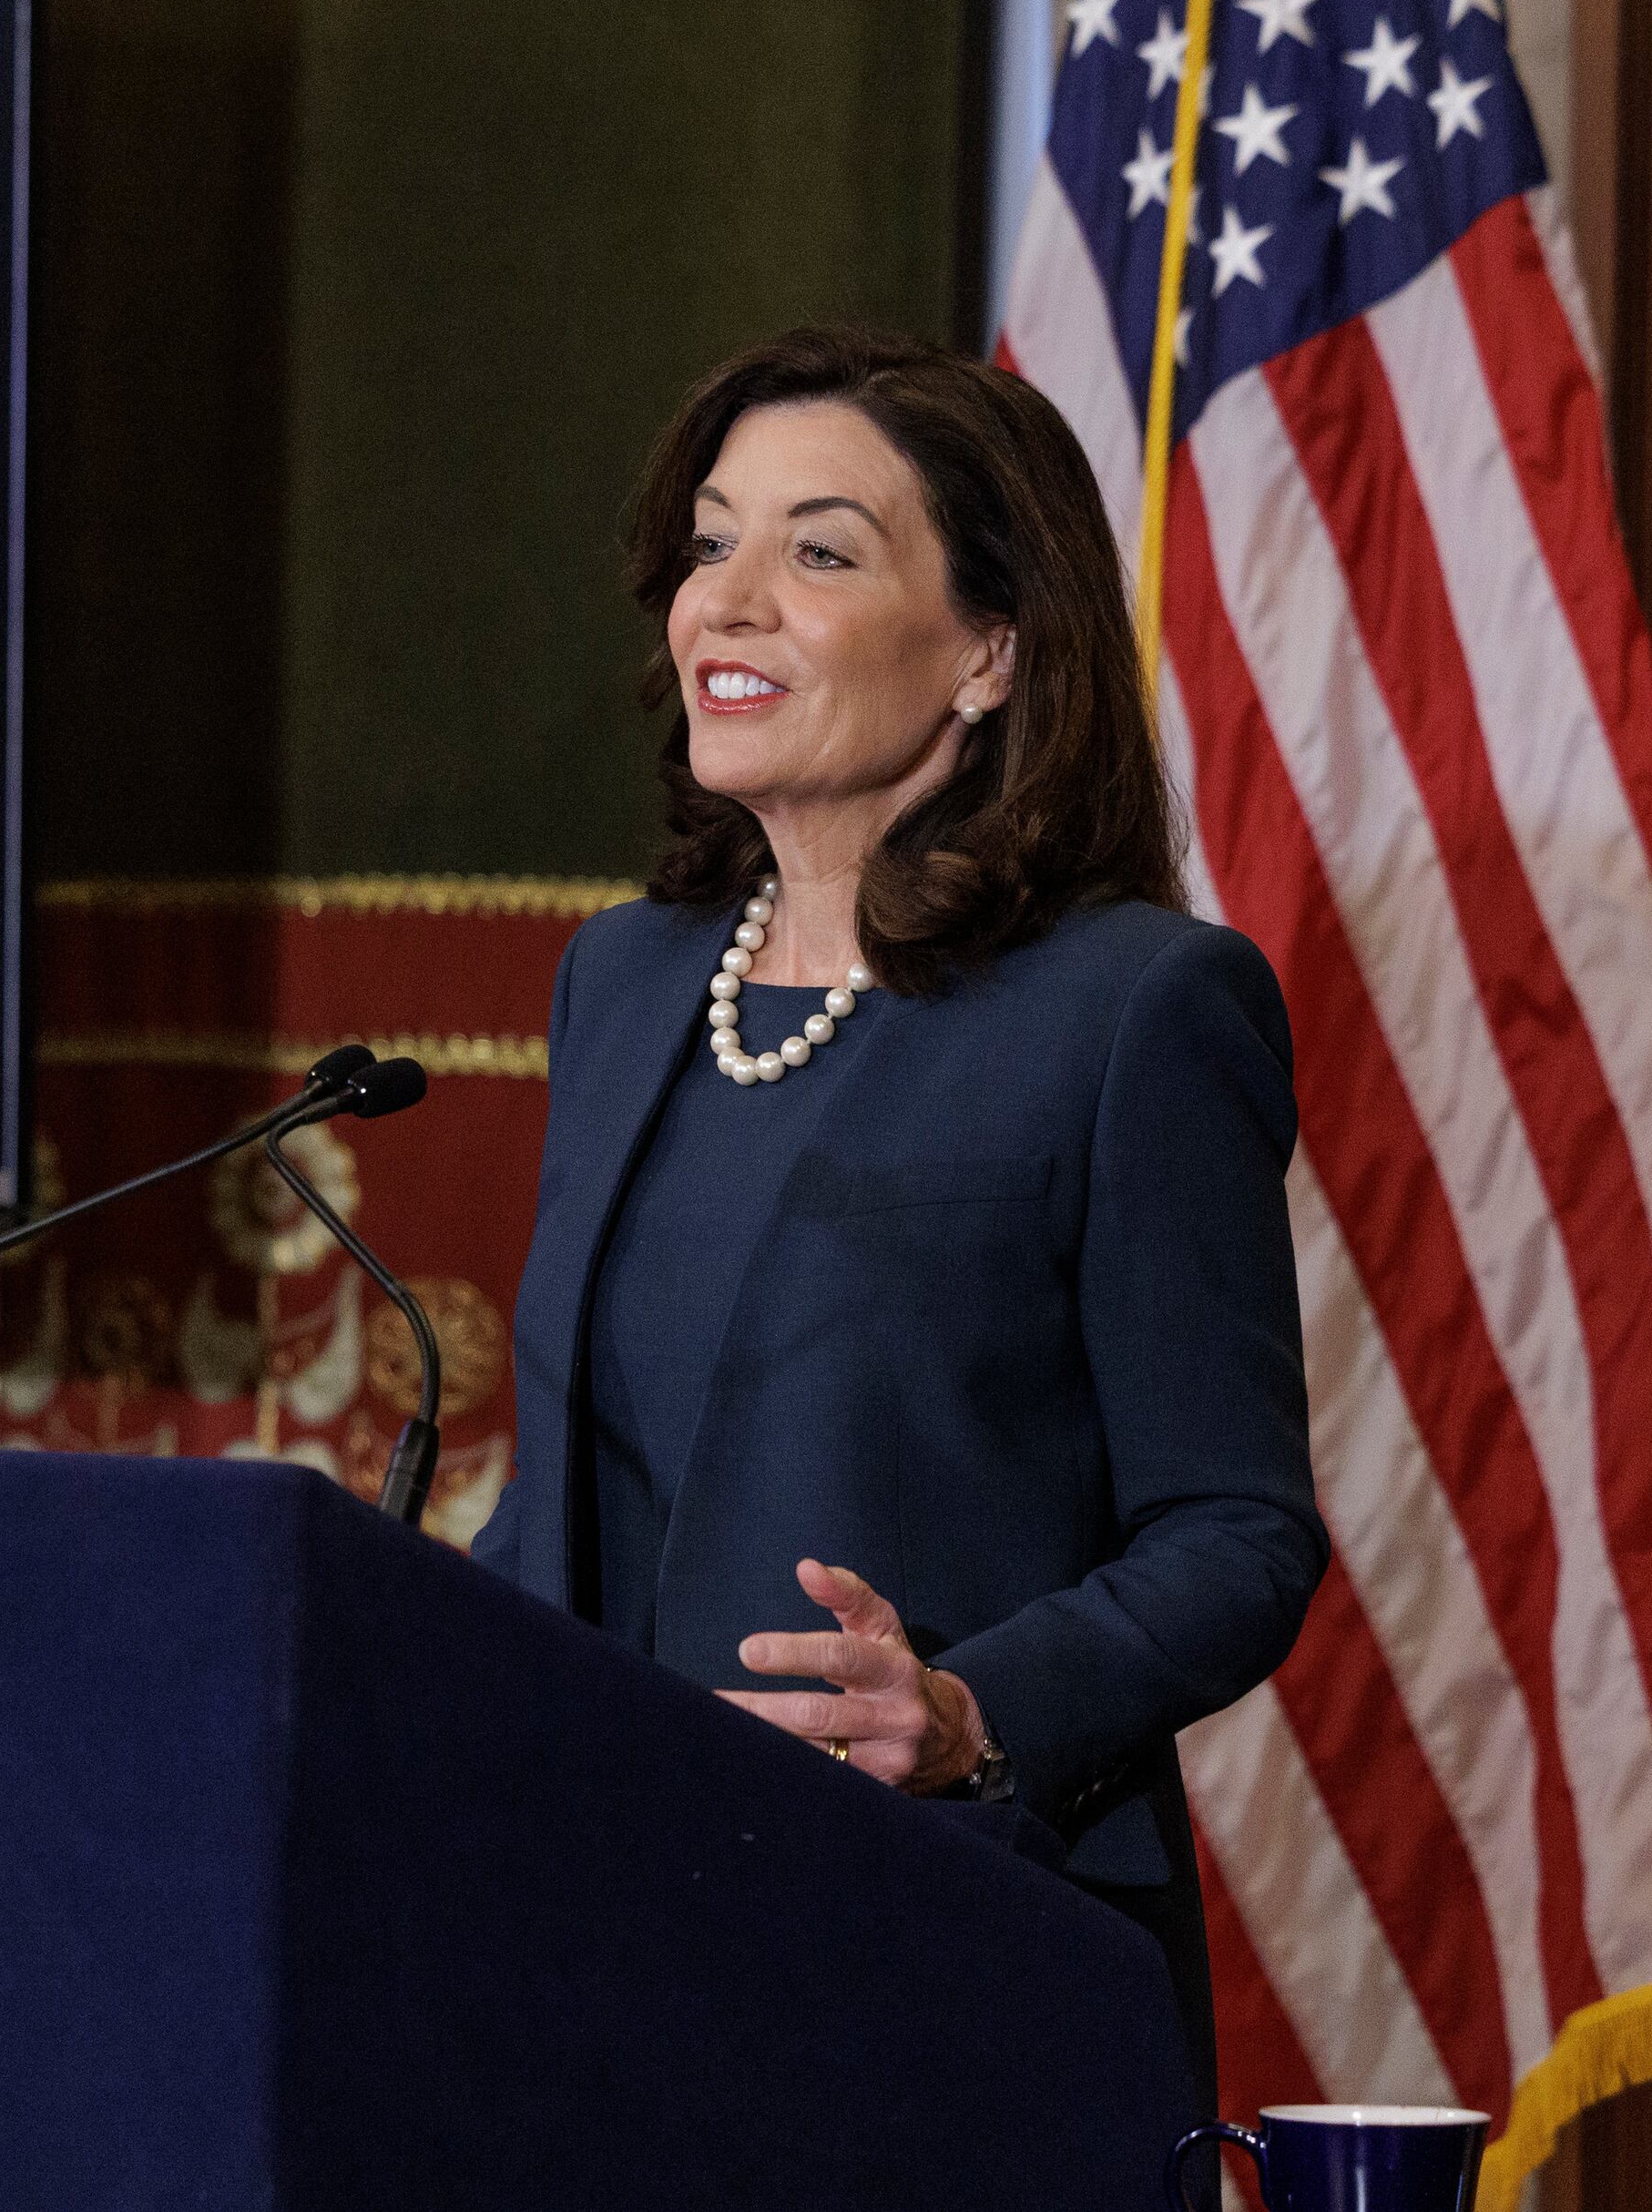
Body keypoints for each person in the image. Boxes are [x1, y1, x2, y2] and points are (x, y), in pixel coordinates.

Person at [470, 328, 1324, 2102]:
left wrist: (965, 1711)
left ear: (992, 651)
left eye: (821, 550)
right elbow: (583, 1491)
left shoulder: (1133, 1010)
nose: (730, 600)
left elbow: (1234, 1534)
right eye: (711, 542)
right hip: (597, 1943)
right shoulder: (623, 981)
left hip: (937, 1956)